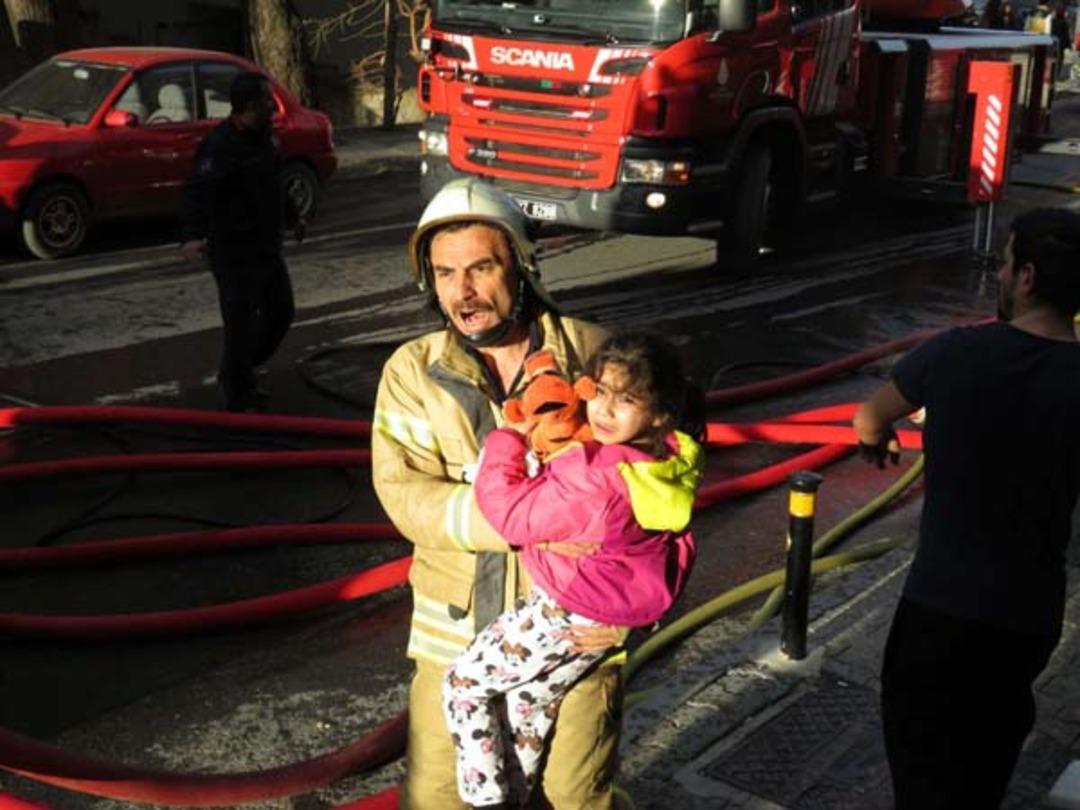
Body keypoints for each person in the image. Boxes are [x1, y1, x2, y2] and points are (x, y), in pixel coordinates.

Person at [371, 178, 623, 809]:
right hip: (453, 636)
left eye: (481, 268)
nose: (463, 292)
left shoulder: (597, 357)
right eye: (446, 273)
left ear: (522, 265)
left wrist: (635, 613)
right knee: (439, 796)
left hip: (574, 632)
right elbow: (405, 495)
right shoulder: (411, 373)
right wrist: (520, 520)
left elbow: (664, 494)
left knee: (573, 795)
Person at [853, 207, 1080, 809]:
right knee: (984, 771)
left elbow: (869, 416)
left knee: (922, 771)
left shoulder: (954, 352)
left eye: (1004, 263)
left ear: (1026, 276)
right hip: (1027, 617)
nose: (1000, 276)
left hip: (938, 608)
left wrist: (877, 441)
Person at [443, 332, 704, 809]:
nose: (603, 410)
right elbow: (676, 545)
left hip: (563, 607)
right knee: (528, 704)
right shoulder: (668, 458)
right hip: (602, 616)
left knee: (463, 684)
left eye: (624, 400)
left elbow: (511, 516)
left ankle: (485, 804)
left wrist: (506, 442)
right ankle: (514, 799)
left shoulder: (597, 481)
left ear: (661, 412)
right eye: (600, 392)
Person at [179, 72, 303, 412]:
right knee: (241, 322)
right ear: (249, 106)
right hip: (234, 251)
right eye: (267, 100)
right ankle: (236, 399)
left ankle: (241, 370)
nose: (273, 106)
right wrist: (192, 235)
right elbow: (197, 191)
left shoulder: (267, 139)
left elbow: (277, 184)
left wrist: (293, 218)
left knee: (281, 311)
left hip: (266, 247)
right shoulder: (221, 147)